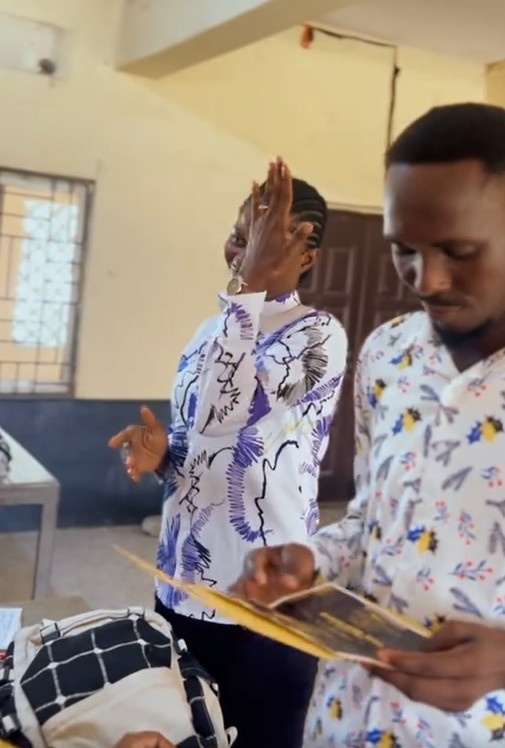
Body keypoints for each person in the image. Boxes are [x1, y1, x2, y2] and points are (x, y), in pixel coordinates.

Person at [233, 103, 505, 747]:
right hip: (344, 717)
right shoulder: (388, 353)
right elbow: (372, 523)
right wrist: (312, 560)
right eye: (403, 249)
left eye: (458, 251)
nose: (426, 279)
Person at [109, 159, 348, 748]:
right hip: (182, 577)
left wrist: (248, 291)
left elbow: (225, 412)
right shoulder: (210, 330)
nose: (243, 251)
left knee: (260, 735)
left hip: (262, 594)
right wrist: (164, 455)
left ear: (307, 257)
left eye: (263, 240)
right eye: (240, 235)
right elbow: (201, 436)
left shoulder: (316, 335)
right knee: (187, 729)